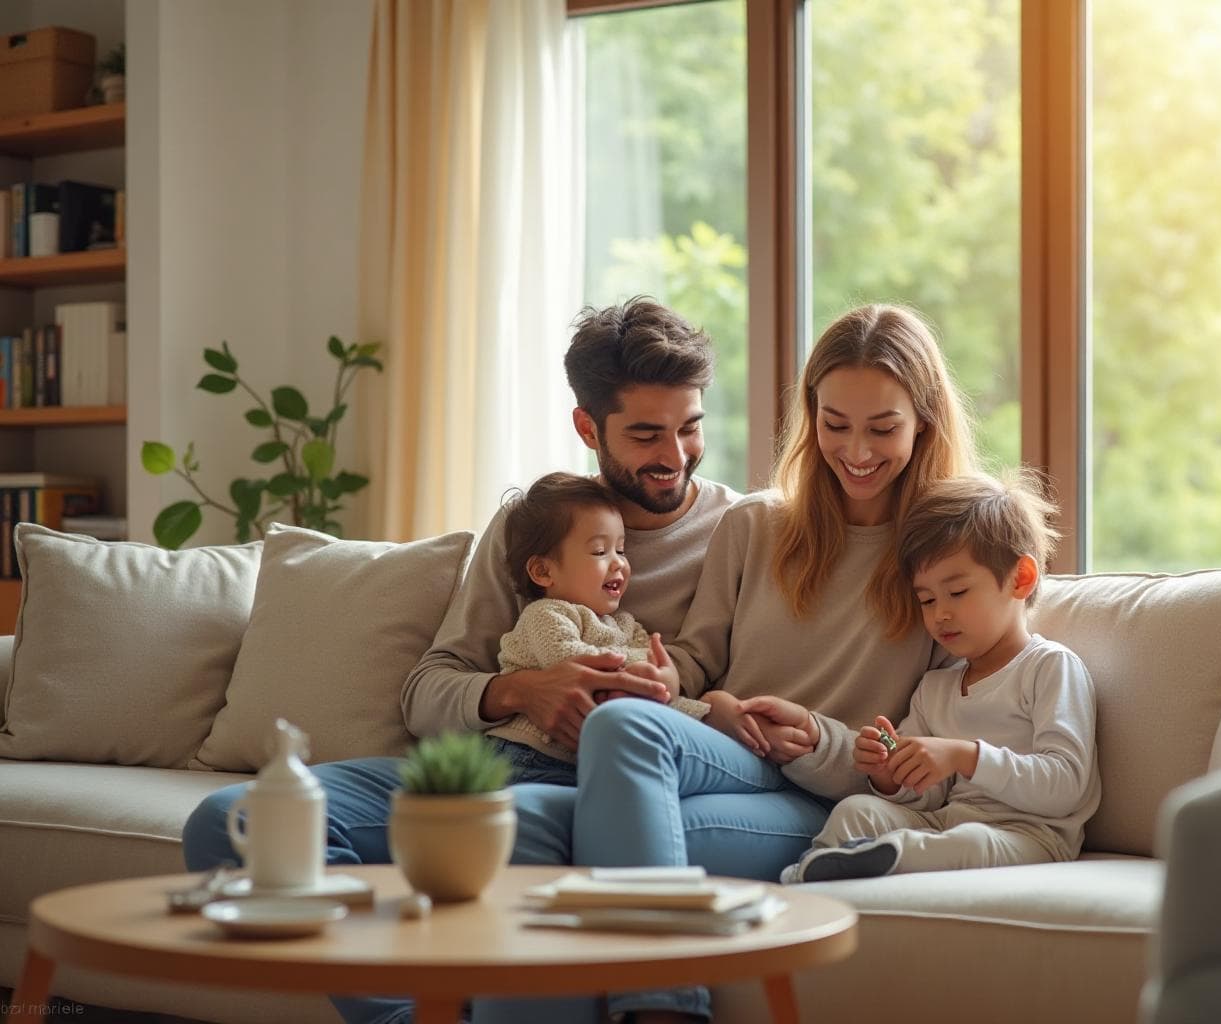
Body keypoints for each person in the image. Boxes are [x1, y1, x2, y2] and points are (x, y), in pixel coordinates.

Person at [181, 297, 739, 1024]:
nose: (674, 456)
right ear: (587, 427)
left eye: (689, 427)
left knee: (513, 827)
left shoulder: (736, 529)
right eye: (645, 433)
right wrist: (521, 690)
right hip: (490, 760)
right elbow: (426, 691)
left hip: (606, 781)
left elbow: (710, 678)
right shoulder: (535, 525)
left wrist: (669, 686)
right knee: (231, 819)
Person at [471, 303, 981, 1024]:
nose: (856, 451)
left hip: (823, 796)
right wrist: (666, 680)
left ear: (923, 422)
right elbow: (696, 661)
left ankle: (664, 1011)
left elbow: (933, 755)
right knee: (524, 809)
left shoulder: (949, 559)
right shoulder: (756, 524)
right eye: (835, 424)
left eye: (882, 428)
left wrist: (821, 739)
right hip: (728, 755)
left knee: (598, 760)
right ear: (811, 417)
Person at [774, 472, 1101, 883]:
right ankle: (810, 876)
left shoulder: (1049, 667)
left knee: (970, 843)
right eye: (926, 599)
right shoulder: (935, 688)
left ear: (1021, 579)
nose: (940, 614)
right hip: (946, 822)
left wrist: (965, 756)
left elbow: (1066, 785)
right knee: (858, 811)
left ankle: (871, 860)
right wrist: (889, 773)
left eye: (957, 593)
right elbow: (926, 797)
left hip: (1030, 836)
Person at [491, 471, 709, 766]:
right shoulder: (544, 614)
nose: (618, 562)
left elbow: (652, 663)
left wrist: (665, 680)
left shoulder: (625, 623)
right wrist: (640, 669)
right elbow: (571, 662)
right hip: (529, 755)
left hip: (585, 759)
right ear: (543, 571)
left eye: (621, 550)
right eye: (599, 551)